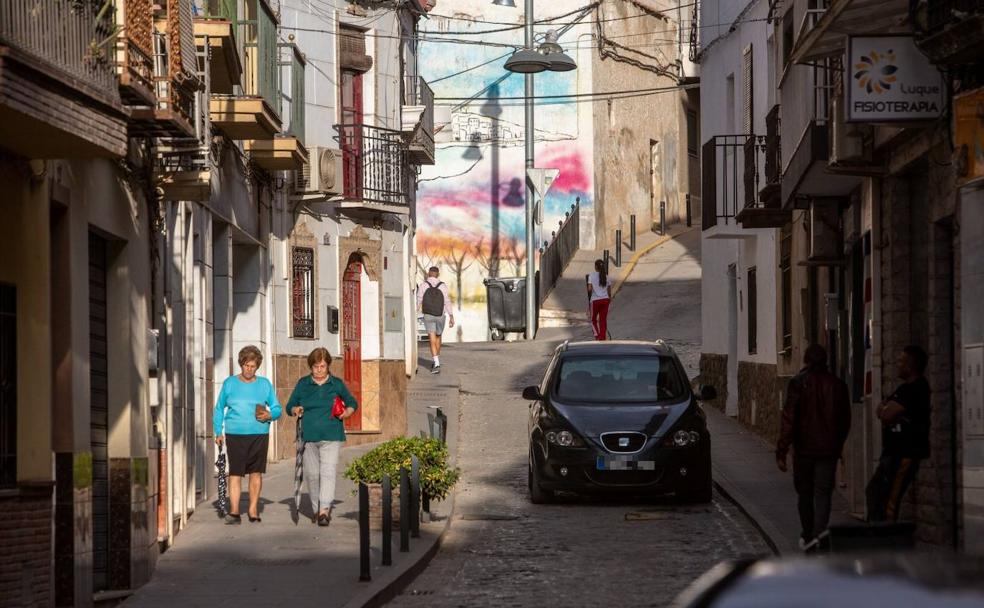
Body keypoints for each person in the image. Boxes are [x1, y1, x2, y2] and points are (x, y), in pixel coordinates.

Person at [776, 344, 851, 550]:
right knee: (823, 493)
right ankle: (819, 534)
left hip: (804, 450)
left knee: (805, 494)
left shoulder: (799, 383)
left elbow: (789, 419)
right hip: (827, 450)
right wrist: (838, 446)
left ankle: (808, 535)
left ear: (806, 360)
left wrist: (782, 450)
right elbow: (844, 420)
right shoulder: (837, 385)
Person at [286, 347, 358, 526]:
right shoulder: (303, 384)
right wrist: (296, 409)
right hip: (308, 436)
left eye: (322, 366)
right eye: (316, 367)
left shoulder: (336, 384)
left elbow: (352, 402)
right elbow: (290, 406)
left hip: (331, 434)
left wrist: (347, 413)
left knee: (328, 472)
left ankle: (324, 510)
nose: (319, 370)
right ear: (311, 367)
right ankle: (316, 508)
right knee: (312, 474)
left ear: (328, 366)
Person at [213, 345, 282, 524]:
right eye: (246, 365)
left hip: (259, 433)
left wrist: (270, 415)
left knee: (256, 472)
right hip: (234, 434)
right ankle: (235, 511)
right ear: (241, 364)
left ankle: (253, 509)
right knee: (235, 472)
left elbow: (277, 408)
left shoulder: (264, 384)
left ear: (257, 366)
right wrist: (218, 431)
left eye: (252, 366)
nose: (249, 369)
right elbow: (219, 408)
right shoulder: (230, 383)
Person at [866, 345, 930, 522]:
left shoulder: (917, 388)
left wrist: (888, 409)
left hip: (905, 453)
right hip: (891, 452)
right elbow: (881, 409)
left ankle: (887, 538)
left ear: (910, 366)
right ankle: (877, 533)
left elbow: (886, 413)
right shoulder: (903, 389)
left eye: (901, 361)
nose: (897, 364)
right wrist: (887, 409)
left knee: (889, 499)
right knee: (874, 491)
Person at [417, 266, 454, 374]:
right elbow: (447, 301)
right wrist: (451, 316)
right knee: (438, 336)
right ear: (437, 274)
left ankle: (436, 361)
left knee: (431, 338)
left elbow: (419, 299)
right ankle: (436, 360)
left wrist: (416, 310)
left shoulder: (423, 285)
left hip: (428, 314)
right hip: (440, 315)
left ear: (428, 274)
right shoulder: (443, 286)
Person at [586, 259, 612, 341]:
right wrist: (609, 299)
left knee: (593, 320)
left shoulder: (591, 276)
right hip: (605, 300)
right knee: (603, 320)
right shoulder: (607, 277)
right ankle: (603, 337)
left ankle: (597, 336)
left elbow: (589, 289)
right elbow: (609, 291)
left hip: (595, 300)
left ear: (596, 267)